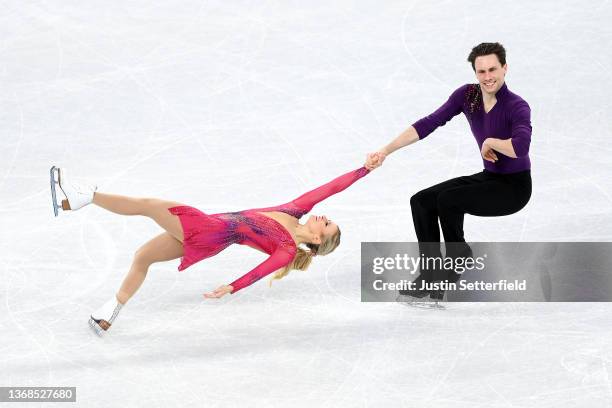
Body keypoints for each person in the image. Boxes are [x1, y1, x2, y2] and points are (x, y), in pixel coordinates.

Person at [50, 164, 371, 335]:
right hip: (211, 230)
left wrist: (231, 287)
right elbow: (331, 187)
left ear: (317, 240)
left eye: (327, 226)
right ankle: (109, 314)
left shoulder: (286, 248)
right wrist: (365, 170)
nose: (325, 219)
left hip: (209, 231)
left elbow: (259, 273)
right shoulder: (295, 210)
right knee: (142, 257)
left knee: (148, 205)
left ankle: (85, 197)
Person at [365, 42, 532, 302]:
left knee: (448, 200)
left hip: (514, 189)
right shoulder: (469, 96)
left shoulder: (516, 106)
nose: (487, 77)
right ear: (475, 73)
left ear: (505, 68)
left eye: (493, 70)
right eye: (481, 71)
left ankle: (457, 258)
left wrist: (491, 142)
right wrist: (386, 150)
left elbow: (520, 148)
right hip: (489, 178)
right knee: (421, 201)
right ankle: (430, 275)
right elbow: (429, 122)